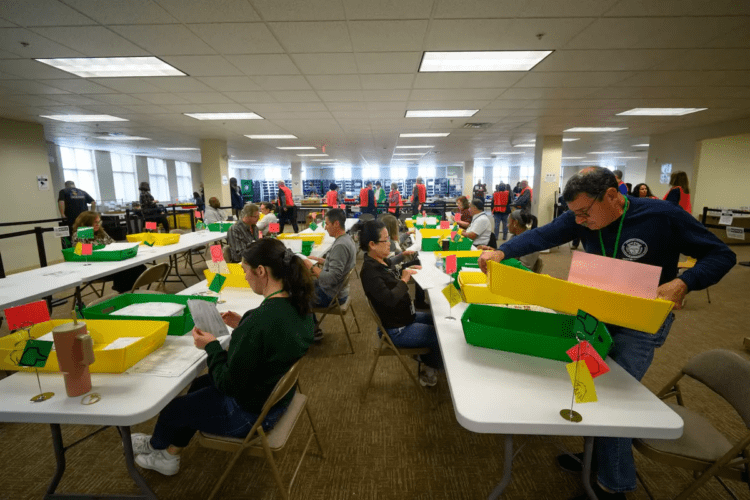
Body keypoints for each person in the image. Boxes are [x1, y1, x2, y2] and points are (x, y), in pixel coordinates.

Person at [478, 166, 736, 500]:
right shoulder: (580, 215)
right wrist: (502, 251)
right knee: (587, 386)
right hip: (596, 315)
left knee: (612, 400)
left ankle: (614, 487)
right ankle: (594, 458)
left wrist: (684, 281)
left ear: (613, 196)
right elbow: (542, 236)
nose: (579, 221)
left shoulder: (662, 215)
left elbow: (721, 254)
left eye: (585, 212)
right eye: (575, 214)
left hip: (639, 323)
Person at [130, 239, 314, 476]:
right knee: (199, 385)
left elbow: (228, 382)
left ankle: (157, 447)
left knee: (174, 408)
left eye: (245, 270)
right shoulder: (299, 305)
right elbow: (272, 340)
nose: (245, 277)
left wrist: (211, 346)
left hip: (251, 415)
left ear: (261, 271)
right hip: (275, 400)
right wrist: (243, 325)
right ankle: (169, 452)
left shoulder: (259, 321)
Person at [360, 219, 443, 387]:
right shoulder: (370, 272)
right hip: (396, 329)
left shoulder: (378, 261)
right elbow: (390, 299)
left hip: (404, 317)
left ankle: (424, 356)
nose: (390, 243)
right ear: (372, 244)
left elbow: (392, 264)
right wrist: (404, 280)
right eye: (385, 239)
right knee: (438, 336)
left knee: (437, 321)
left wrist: (415, 264)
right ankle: (428, 371)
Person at [302, 208, 356, 341]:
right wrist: (321, 261)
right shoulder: (346, 239)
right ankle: (313, 328)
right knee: (301, 285)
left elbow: (331, 278)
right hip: (338, 290)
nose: (325, 228)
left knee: (298, 297)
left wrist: (312, 266)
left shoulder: (340, 245)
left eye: (327, 224)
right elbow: (339, 265)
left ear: (336, 224)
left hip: (332, 294)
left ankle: (313, 332)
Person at [71, 211, 146, 293]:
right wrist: (88, 232)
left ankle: (128, 292)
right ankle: (125, 293)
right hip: (94, 267)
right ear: (86, 224)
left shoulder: (100, 232)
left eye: (99, 222)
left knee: (137, 267)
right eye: (95, 222)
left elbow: (113, 244)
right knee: (127, 270)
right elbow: (82, 253)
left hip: (109, 263)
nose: (98, 224)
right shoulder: (81, 233)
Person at [381, 214, 428, 309]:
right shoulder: (389, 244)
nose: (398, 226)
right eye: (397, 225)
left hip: (397, 267)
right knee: (420, 265)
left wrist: (407, 234)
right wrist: (403, 255)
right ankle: (419, 301)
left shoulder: (389, 239)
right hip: (395, 271)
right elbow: (390, 263)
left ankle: (420, 300)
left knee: (419, 262)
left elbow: (398, 241)